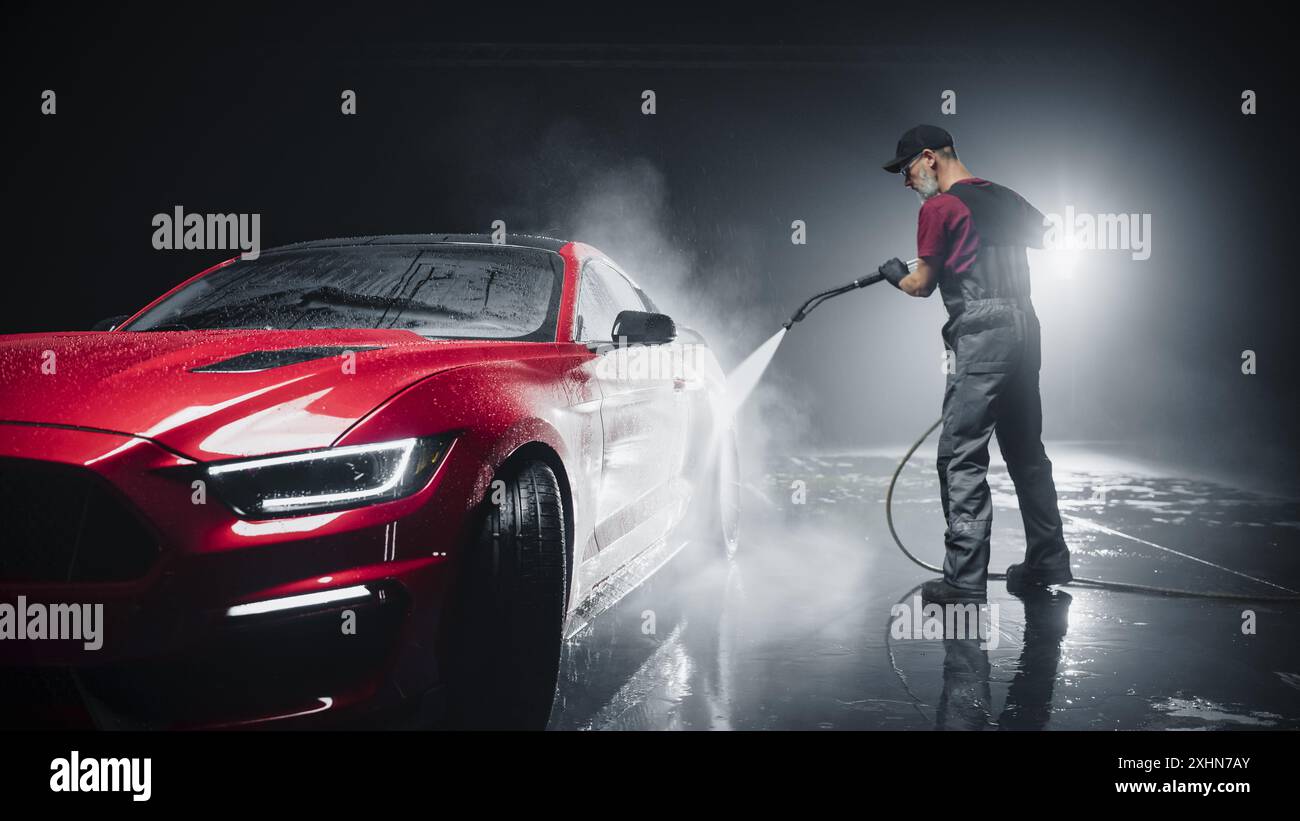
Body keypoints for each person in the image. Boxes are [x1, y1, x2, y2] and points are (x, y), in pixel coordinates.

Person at [878, 124, 1073, 603]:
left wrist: (896, 276)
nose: (907, 182)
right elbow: (1048, 236)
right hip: (1026, 324)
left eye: (907, 171)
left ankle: (963, 581)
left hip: (983, 330)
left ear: (929, 157)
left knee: (960, 458)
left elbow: (923, 286)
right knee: (1027, 452)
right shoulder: (1004, 197)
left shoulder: (938, 208)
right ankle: (1048, 561)